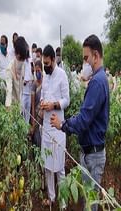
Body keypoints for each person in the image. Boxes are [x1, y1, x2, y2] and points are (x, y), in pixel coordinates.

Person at [51, 35, 109, 211]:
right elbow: (87, 115)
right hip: (90, 153)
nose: (85, 63)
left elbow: (84, 120)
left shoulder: (98, 83)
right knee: (88, 201)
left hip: (93, 156)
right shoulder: (97, 80)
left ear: (96, 56)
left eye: (86, 58)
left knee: (90, 206)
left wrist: (63, 124)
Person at [40, 44, 70, 207]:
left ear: (53, 59)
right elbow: (42, 96)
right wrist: (43, 103)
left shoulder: (62, 75)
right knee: (47, 166)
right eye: (43, 63)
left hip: (58, 128)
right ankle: (51, 198)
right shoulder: (46, 77)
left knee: (59, 166)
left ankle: (63, 202)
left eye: (47, 63)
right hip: (46, 127)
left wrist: (54, 105)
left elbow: (67, 100)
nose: (45, 66)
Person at [29, 60, 43, 147]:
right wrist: (33, 120)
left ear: (42, 70)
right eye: (35, 71)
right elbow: (33, 105)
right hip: (37, 117)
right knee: (37, 140)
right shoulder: (34, 85)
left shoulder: (46, 82)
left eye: (39, 71)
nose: (37, 73)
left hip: (44, 116)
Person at [0, 35, 12, 106]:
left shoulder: (10, 57)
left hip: (8, 89)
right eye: (0, 43)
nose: (1, 45)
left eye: (3, 44)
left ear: (6, 45)